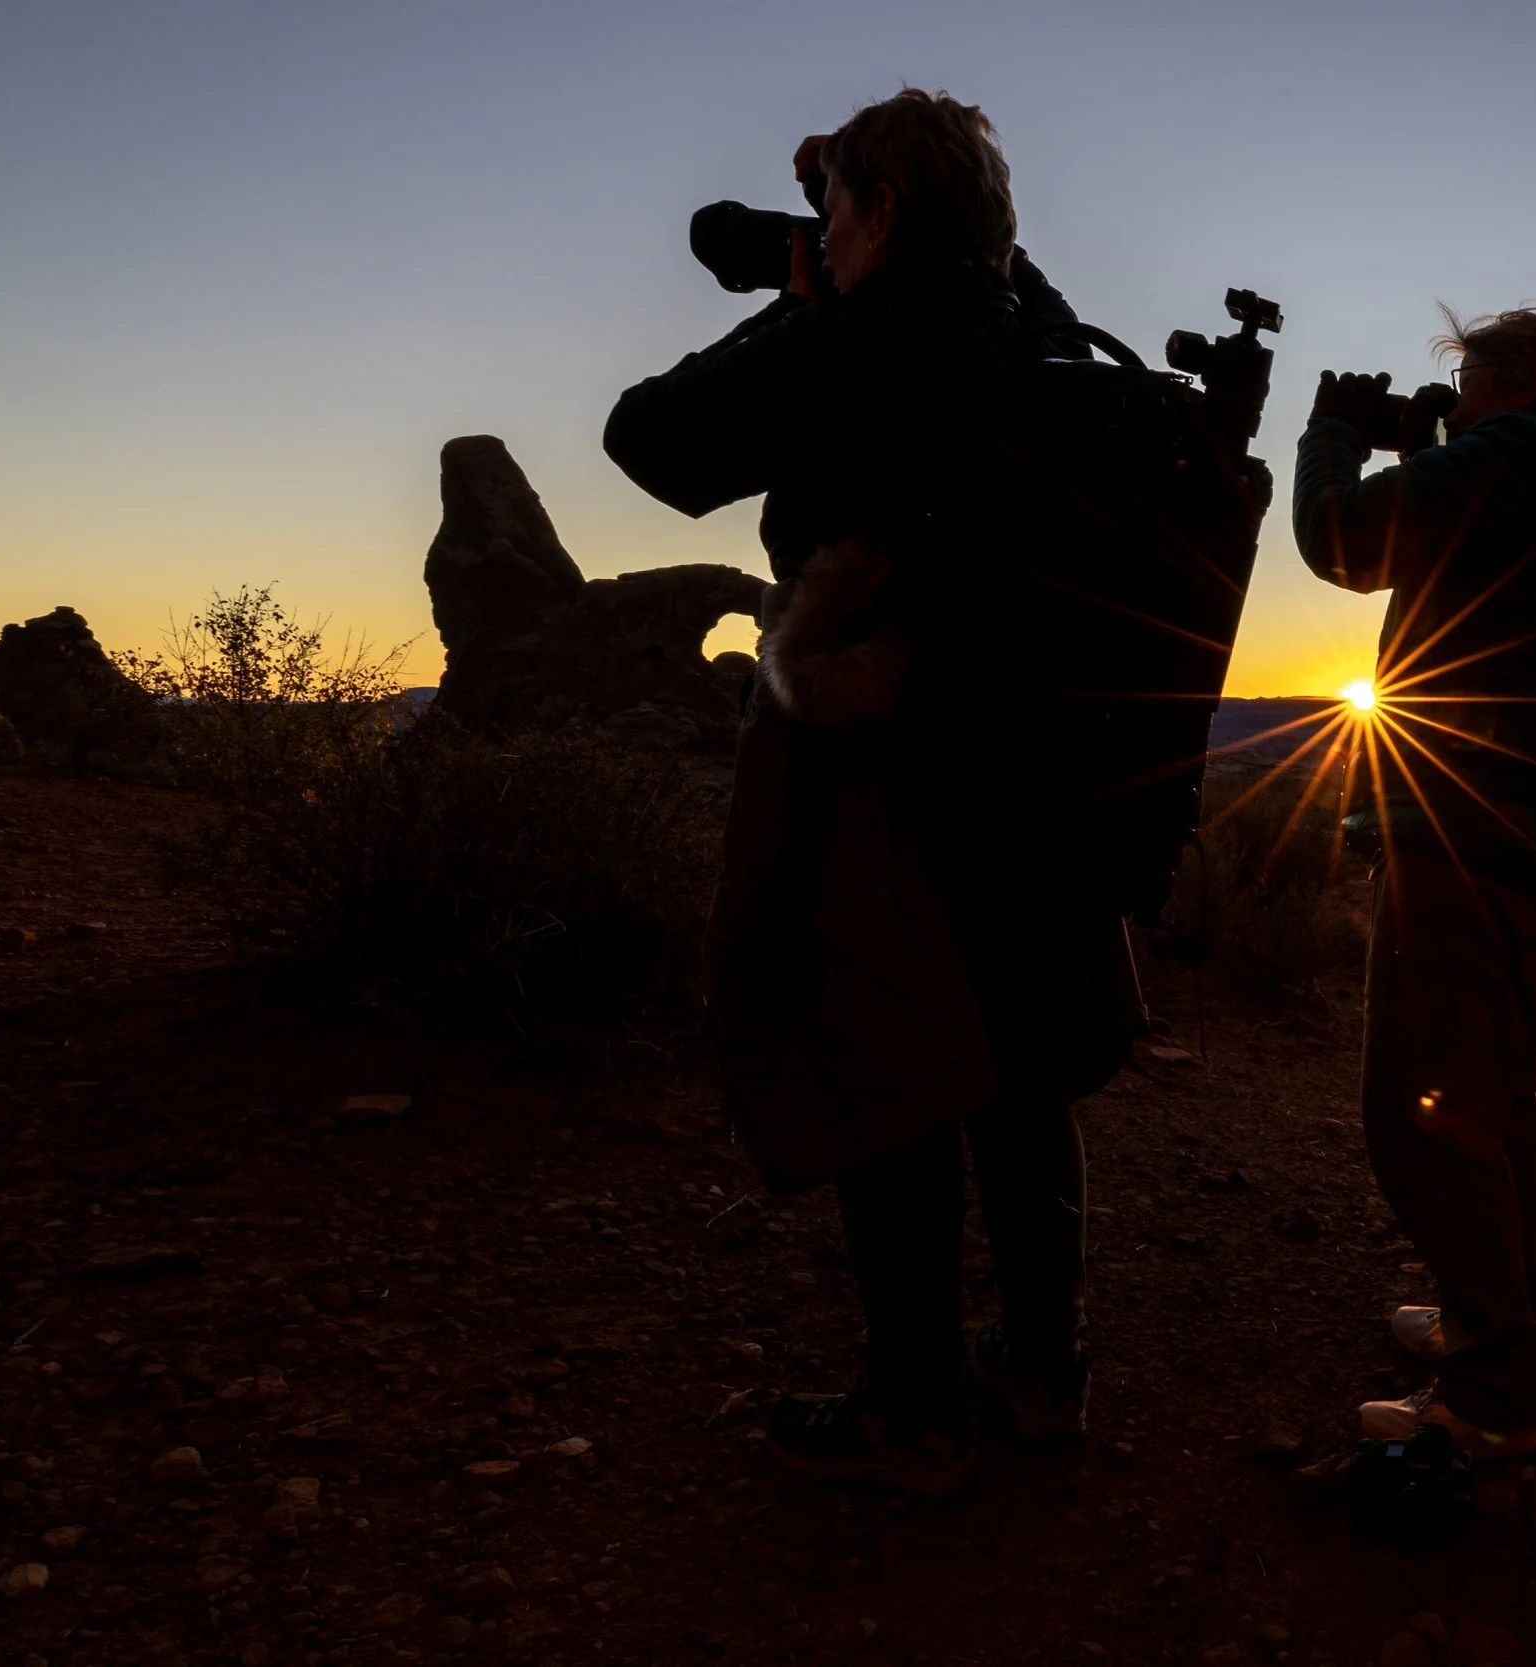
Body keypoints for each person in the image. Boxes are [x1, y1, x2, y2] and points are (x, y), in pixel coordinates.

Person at [603, 90, 1140, 1498]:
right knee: (1020, 1074)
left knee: (888, 1056)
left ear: (883, 215)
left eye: (844, 206)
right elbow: (996, 272)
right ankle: (1044, 1372)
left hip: (881, 754)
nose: (823, 234)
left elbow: (647, 438)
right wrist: (863, 220)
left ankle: (911, 1403)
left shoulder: (850, 341)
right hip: (1051, 761)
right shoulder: (1045, 338)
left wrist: (807, 288)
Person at [1293, 306, 1536, 1457]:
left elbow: (1343, 545)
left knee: (1424, 1106)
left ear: (1526, 377)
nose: (1452, 410)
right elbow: (1488, 571)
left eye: (1466, 389)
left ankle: (1502, 1385)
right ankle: (1497, 1321)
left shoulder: (1527, 451)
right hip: (1525, 821)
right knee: (1493, 1096)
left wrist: (1332, 431)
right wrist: (1438, 452)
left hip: (1461, 819)